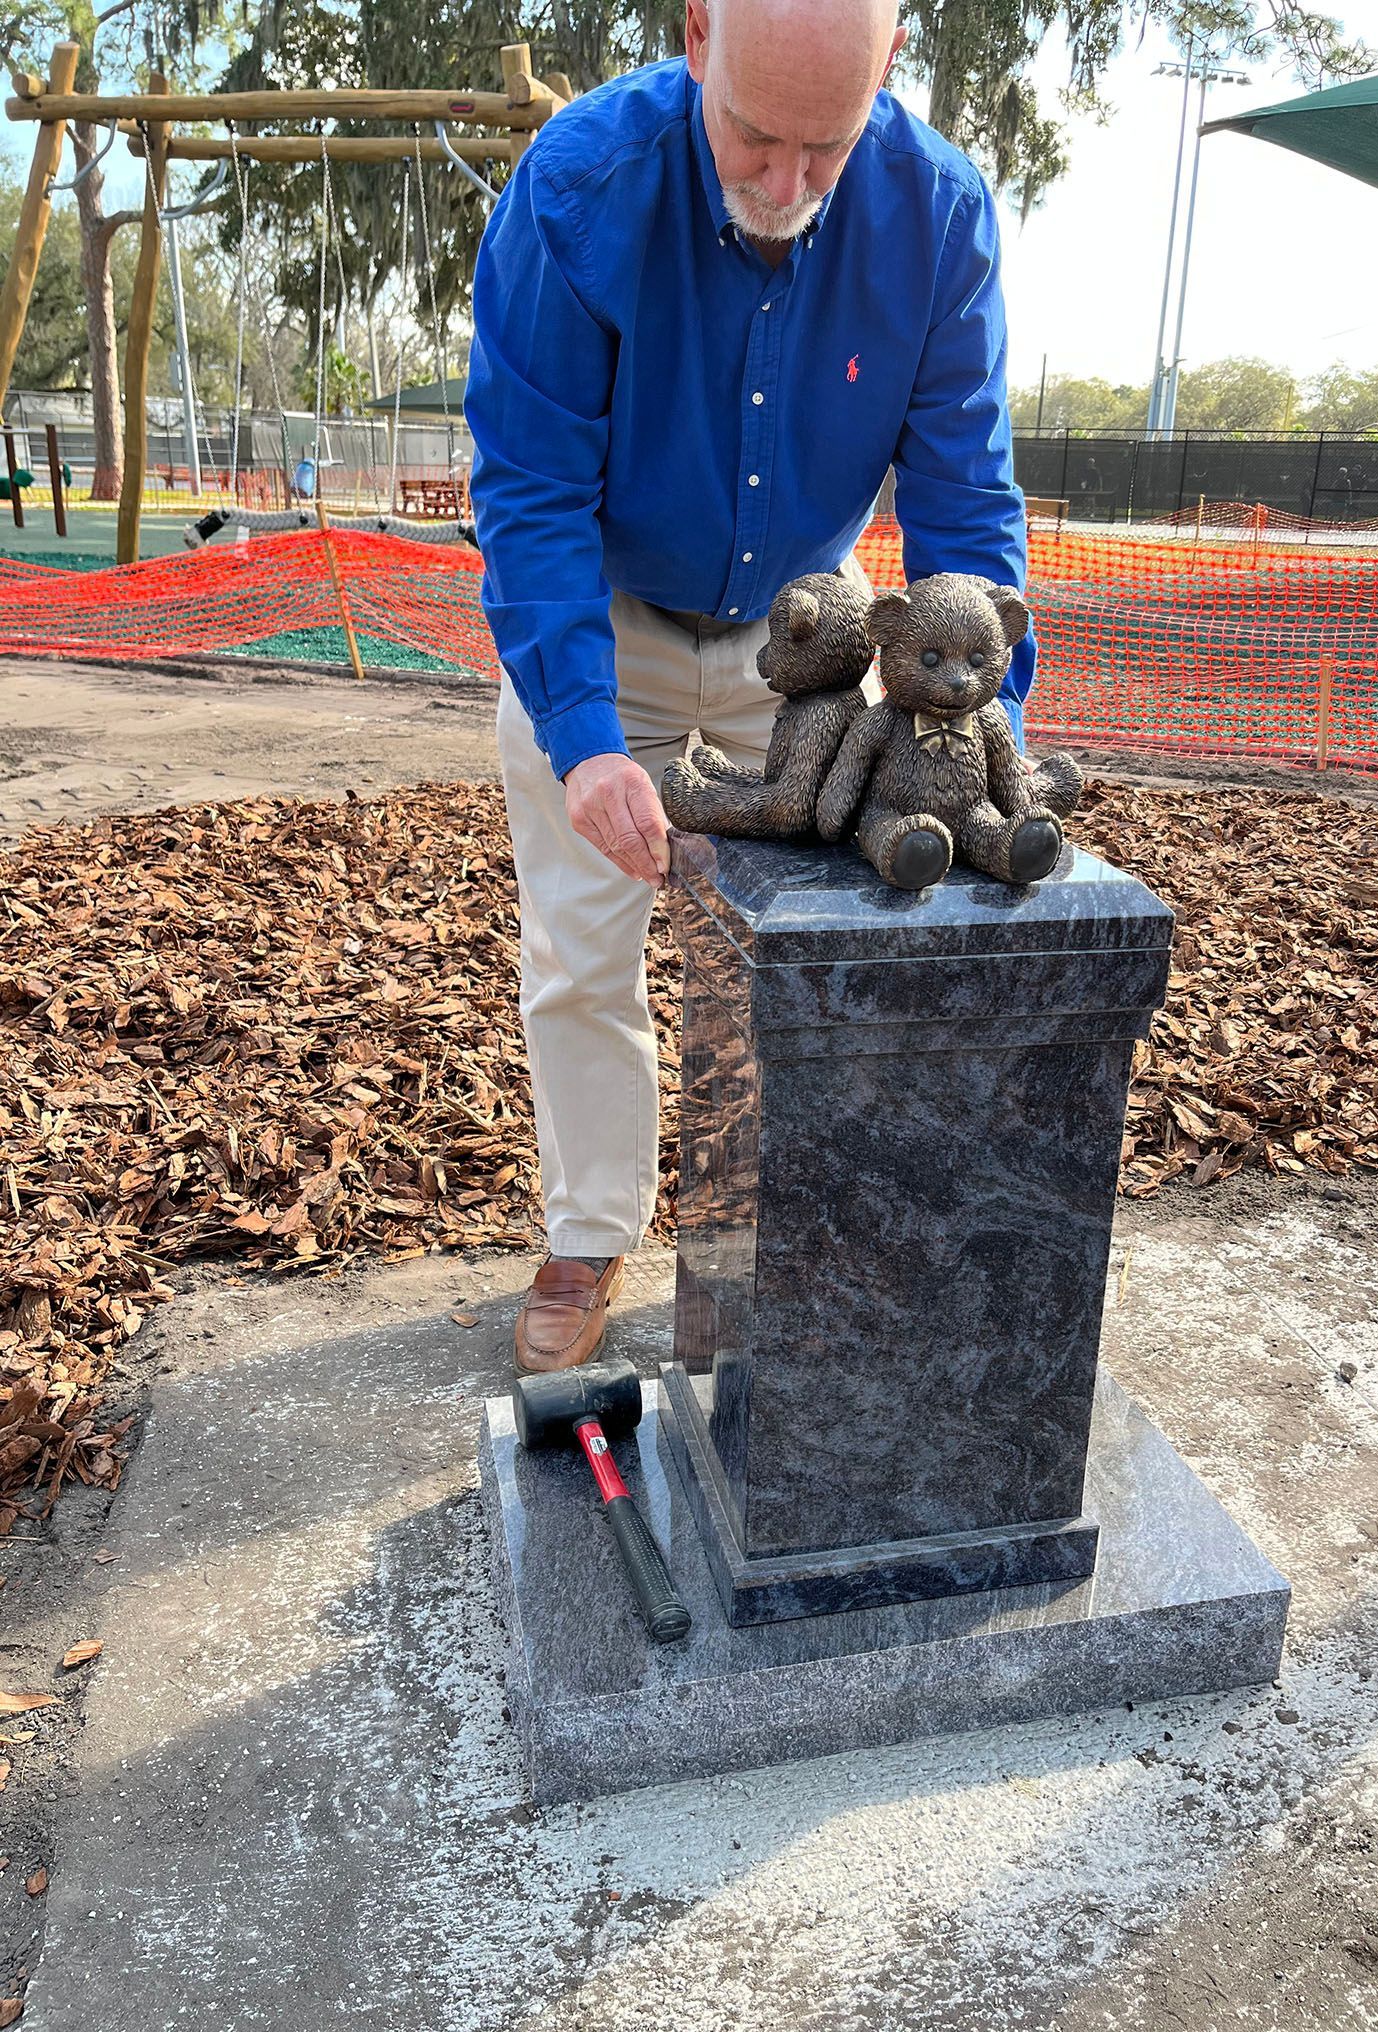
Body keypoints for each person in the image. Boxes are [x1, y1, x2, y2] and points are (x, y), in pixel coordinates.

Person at [466, 0, 1034, 1377]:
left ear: (890, 64)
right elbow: (533, 489)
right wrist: (586, 740)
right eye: (753, 140)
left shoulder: (941, 217)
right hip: (613, 621)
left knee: (820, 951)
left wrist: (985, 728)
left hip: (817, 643)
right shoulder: (579, 185)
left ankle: (799, 1233)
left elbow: (961, 494)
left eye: (823, 150)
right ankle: (591, 1231)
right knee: (583, 953)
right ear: (696, 35)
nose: (785, 189)